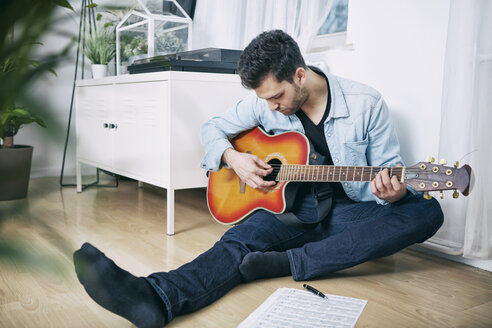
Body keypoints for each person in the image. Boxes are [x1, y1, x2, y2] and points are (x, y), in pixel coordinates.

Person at [73, 30, 444, 328]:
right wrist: (233, 158)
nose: (271, 107)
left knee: (426, 211)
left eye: (277, 96)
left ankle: (290, 262)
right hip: (291, 208)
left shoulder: (366, 104)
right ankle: (155, 297)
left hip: (350, 214)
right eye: (264, 99)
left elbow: (388, 173)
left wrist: (393, 194)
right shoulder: (264, 101)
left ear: (300, 75)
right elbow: (213, 127)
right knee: (235, 243)